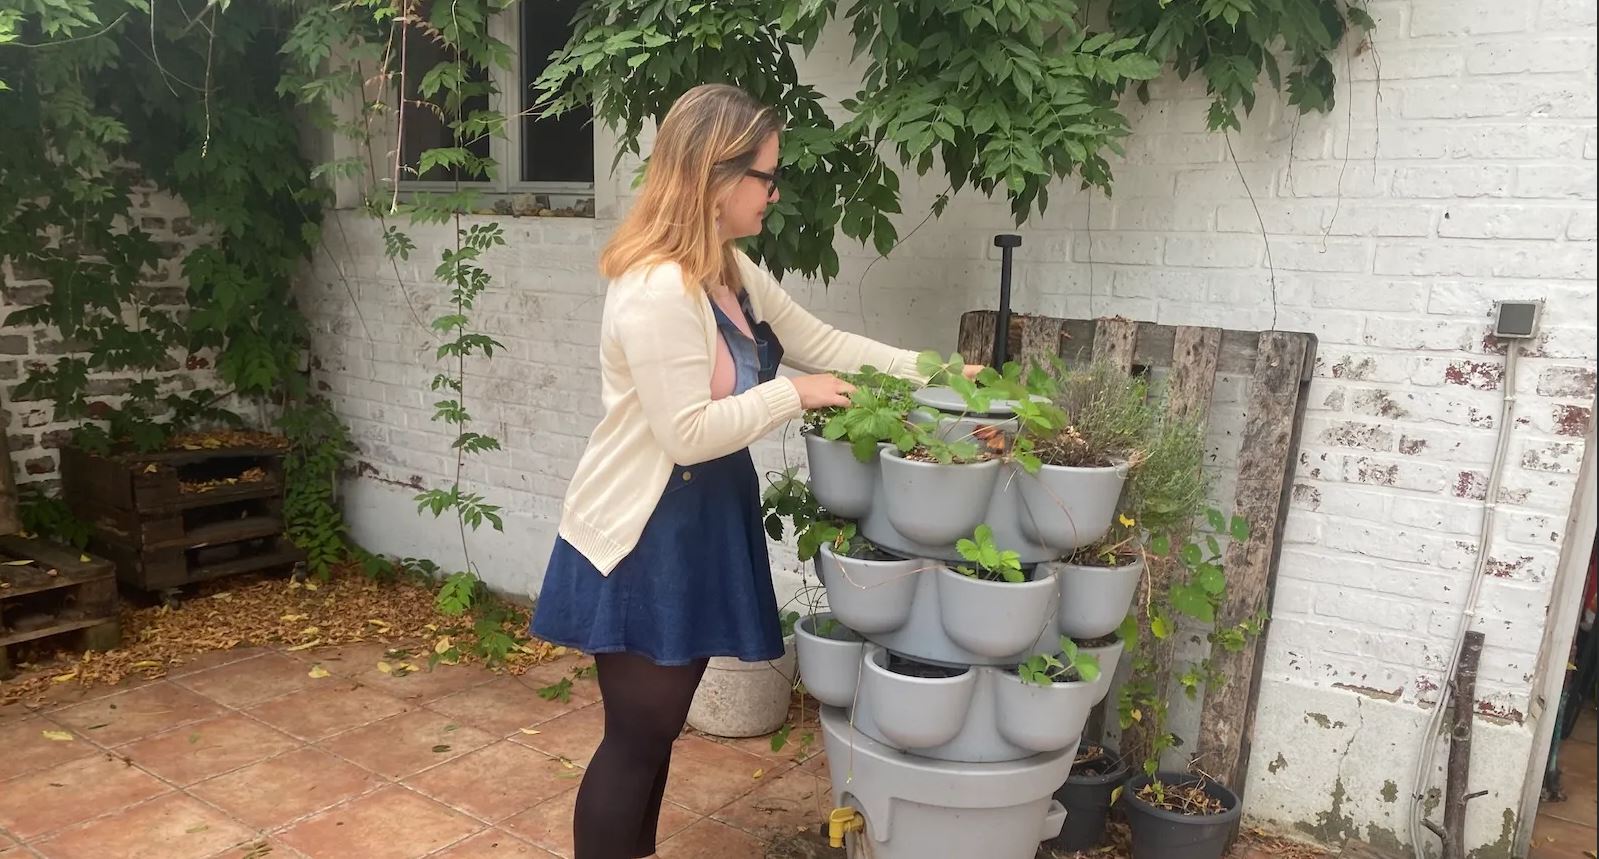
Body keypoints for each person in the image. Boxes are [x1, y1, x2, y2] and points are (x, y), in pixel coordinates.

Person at [527, 83, 978, 859]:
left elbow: (823, 342)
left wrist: (938, 371)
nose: (774, 191)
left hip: (699, 524)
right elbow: (685, 433)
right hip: (641, 534)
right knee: (635, 739)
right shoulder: (656, 287)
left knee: (656, 735)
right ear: (716, 177)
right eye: (766, 176)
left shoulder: (728, 271)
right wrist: (789, 395)